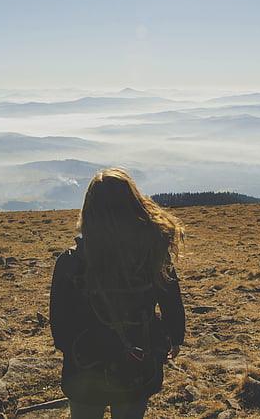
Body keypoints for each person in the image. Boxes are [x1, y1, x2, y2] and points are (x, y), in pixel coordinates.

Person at [49, 168, 185, 419]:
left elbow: (59, 319)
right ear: (135, 203)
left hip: (85, 363)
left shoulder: (72, 261)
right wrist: (174, 336)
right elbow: (170, 298)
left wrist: (71, 348)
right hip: (139, 356)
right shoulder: (153, 253)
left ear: (89, 209)